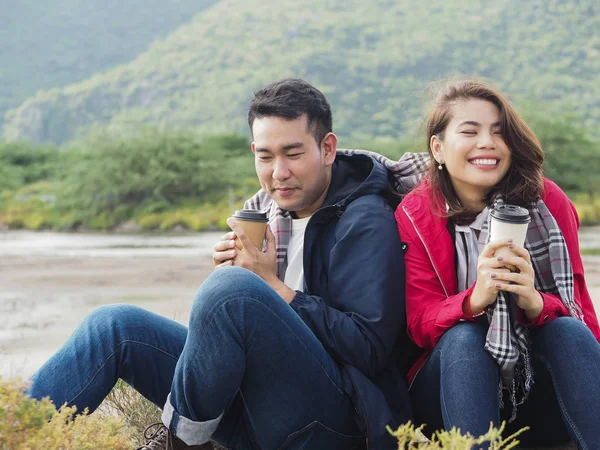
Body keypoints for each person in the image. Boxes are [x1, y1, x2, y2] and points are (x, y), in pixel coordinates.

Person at [27, 78, 417, 450]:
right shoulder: (266, 213)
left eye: (293, 154)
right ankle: (16, 428)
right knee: (113, 326)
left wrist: (268, 288)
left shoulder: (365, 219)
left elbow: (369, 349)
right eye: (266, 156)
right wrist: (232, 294)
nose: (279, 172)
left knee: (230, 292)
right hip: (257, 405)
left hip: (334, 421)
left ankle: (181, 440)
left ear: (327, 148)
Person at [395, 79, 600, 448]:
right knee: (463, 338)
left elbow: (584, 321)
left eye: (499, 132)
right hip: (450, 391)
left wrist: (535, 303)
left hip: (534, 388)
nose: (487, 142)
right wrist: (475, 300)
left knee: (568, 331)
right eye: (470, 131)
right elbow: (417, 325)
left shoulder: (547, 203)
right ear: (438, 149)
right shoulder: (415, 212)